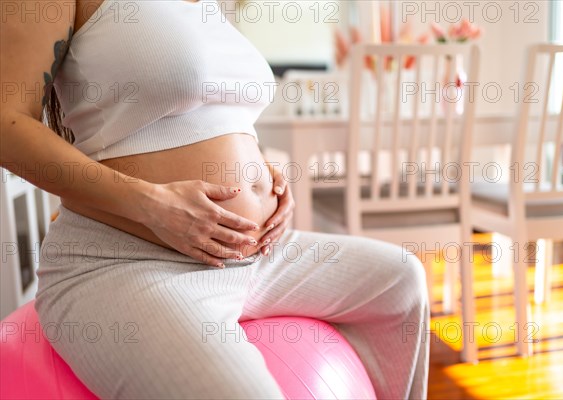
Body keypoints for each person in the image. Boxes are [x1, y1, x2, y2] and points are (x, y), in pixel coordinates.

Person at [0, 0, 430, 398]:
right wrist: (152, 203)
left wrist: (264, 176)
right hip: (129, 262)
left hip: (258, 255)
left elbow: (212, 114)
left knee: (401, 281)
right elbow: (6, 123)